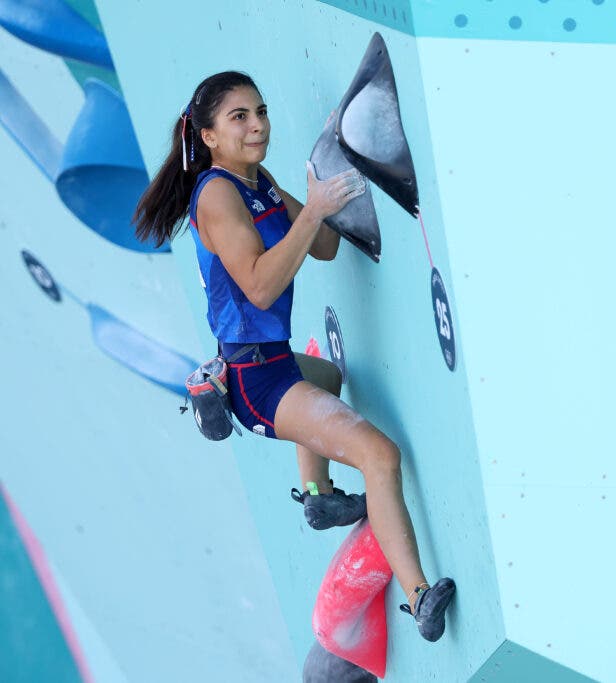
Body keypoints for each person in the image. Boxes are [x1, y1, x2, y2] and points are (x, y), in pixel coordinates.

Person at [132, 71, 454, 641]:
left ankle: (319, 497)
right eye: (239, 118)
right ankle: (419, 596)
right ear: (207, 136)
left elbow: (324, 247)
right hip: (256, 377)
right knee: (379, 457)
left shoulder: (258, 182)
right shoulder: (217, 193)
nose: (258, 126)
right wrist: (310, 213)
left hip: (271, 360)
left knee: (326, 377)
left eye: (261, 111)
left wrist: (324, 187)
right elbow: (258, 287)